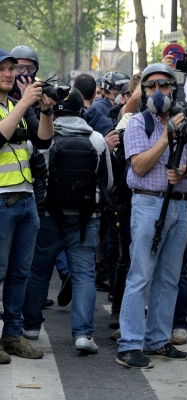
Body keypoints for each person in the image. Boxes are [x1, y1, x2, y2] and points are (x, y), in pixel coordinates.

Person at [116, 63, 187, 369]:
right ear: (143, 92)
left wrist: (184, 170)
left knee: (169, 277)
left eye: (164, 86)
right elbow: (139, 166)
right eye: (151, 86)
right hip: (148, 204)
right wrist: (168, 136)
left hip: (181, 204)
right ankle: (129, 344)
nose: (158, 91)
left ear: (174, 89)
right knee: (140, 274)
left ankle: (157, 340)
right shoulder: (136, 124)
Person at [22, 88, 113, 353]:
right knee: (84, 274)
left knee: (38, 271)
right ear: (80, 111)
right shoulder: (96, 139)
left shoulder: (41, 138)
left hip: (48, 214)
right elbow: (107, 182)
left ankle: (30, 327)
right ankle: (83, 335)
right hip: (86, 219)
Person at [0, 48, 55, 364]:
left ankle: (12, 336)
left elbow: (44, 140)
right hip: (2, 202)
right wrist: (23, 103)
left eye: (12, 69)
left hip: (26, 201)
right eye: (3, 70)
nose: (9, 74)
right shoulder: (14, 106)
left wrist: (45, 111)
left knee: (20, 274)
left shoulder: (12, 105)